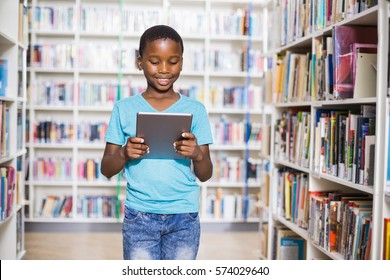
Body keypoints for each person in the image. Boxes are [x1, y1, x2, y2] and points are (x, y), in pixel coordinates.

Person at [101, 25, 213, 260]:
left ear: (182, 62)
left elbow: (205, 174)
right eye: (154, 61)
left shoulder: (196, 110)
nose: (164, 70)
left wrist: (197, 155)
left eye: (173, 62)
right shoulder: (123, 109)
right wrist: (124, 153)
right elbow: (106, 169)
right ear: (139, 62)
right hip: (139, 215)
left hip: (184, 215)